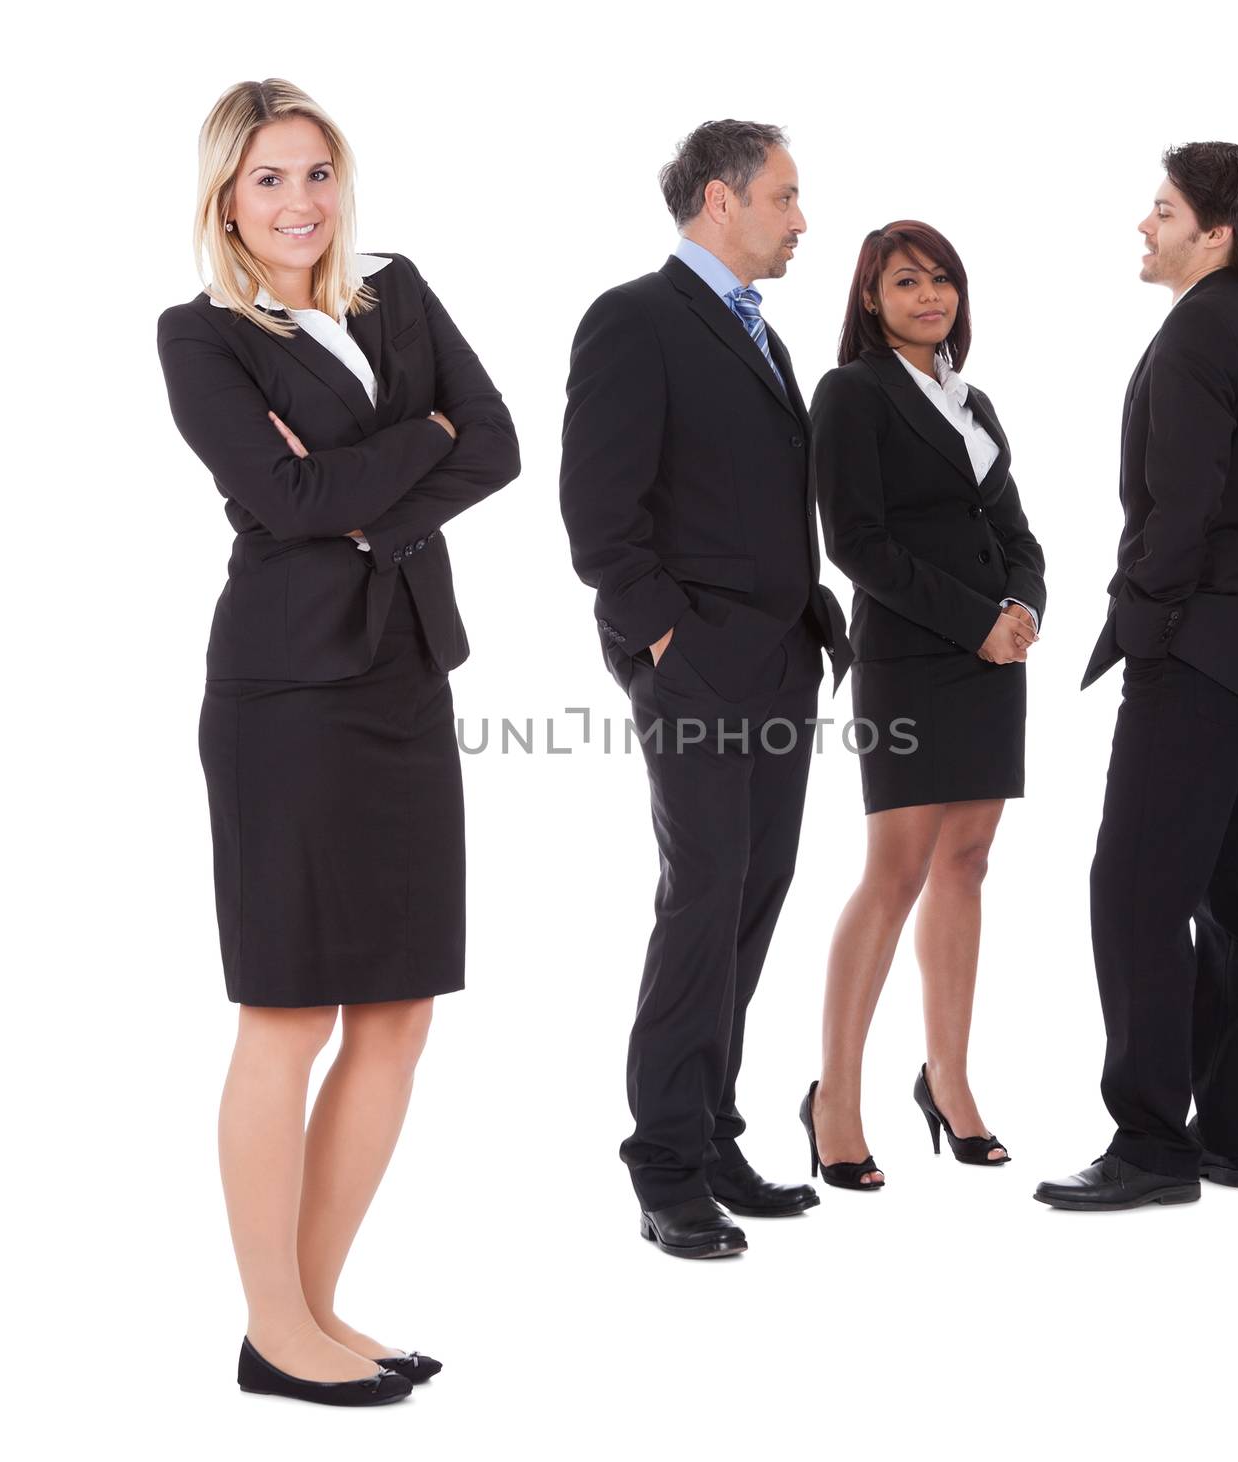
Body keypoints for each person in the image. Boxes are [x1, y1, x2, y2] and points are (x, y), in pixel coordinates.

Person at [156, 78, 519, 1398]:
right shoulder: (201, 337)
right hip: (287, 696)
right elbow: (279, 495)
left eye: (316, 173)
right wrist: (405, 446)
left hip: (406, 674)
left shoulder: (395, 290)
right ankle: (275, 1325)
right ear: (225, 199)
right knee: (287, 1010)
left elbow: (498, 444)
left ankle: (306, 1311)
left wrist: (359, 492)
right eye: (268, 181)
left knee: (401, 1008)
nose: (299, 203)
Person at [1035, 142, 1238, 1211]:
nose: (1144, 225)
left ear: (1214, 235)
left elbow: (1177, 514)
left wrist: (1155, 614)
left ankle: (1150, 1144)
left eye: (1162, 211)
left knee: (1131, 890)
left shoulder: (1194, 340)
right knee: (1237, 894)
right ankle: (1231, 1136)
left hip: (1192, 652)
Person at [559, 120, 852, 1260]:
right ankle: (665, 1163)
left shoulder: (765, 340)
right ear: (721, 198)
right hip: (694, 667)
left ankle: (715, 1133)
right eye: (784, 196)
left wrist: (812, 611)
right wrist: (664, 645)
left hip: (780, 658)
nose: (799, 218)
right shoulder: (634, 318)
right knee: (704, 894)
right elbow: (599, 517)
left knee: (755, 887)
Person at [803, 222, 1046, 1190]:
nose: (928, 296)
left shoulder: (970, 397)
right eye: (905, 282)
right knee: (894, 869)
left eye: (941, 280)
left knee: (968, 862)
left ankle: (947, 1080)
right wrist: (974, 622)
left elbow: (1014, 525)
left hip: (992, 655)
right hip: (911, 652)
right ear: (870, 297)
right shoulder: (850, 394)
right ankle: (835, 1101)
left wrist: (1023, 605)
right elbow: (854, 543)